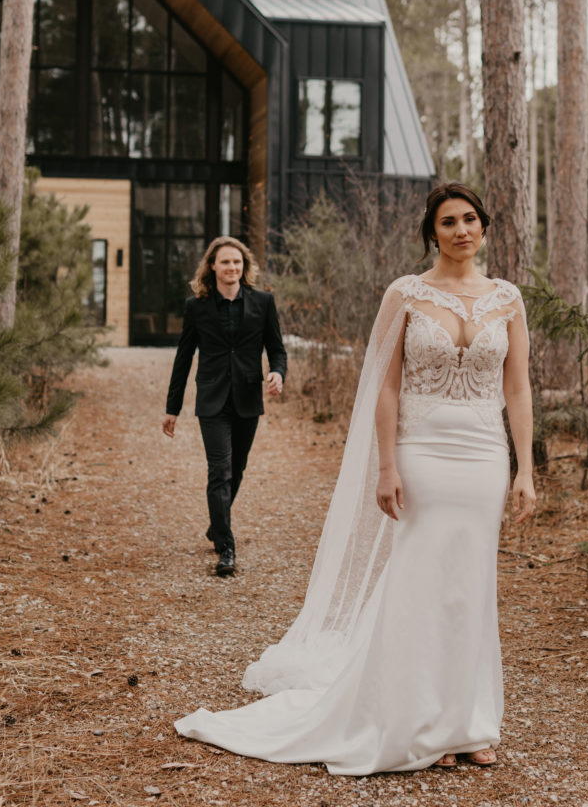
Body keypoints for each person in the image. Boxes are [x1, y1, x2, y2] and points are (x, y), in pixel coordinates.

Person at [174, 182, 536, 771]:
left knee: (471, 583)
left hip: (484, 456)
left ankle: (467, 721)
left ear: (485, 227)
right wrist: (387, 464)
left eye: (471, 220)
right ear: (432, 232)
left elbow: (517, 387)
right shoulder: (406, 294)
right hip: (423, 451)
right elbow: (387, 386)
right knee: (419, 580)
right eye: (448, 222)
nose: (462, 231)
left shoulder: (508, 299)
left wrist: (525, 468)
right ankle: (417, 717)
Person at [162, 236, 287, 577]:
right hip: (212, 399)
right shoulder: (197, 306)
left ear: (244, 267)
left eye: (237, 262)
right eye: (225, 262)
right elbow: (183, 358)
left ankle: (217, 523)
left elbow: (276, 349)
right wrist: (172, 408)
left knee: (239, 468)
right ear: (212, 266)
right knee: (220, 470)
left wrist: (277, 372)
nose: (232, 267)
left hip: (248, 398)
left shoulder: (263, 302)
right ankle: (227, 547)